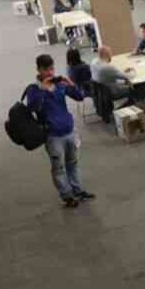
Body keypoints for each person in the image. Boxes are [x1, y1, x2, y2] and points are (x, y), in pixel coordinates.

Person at [25, 53, 92, 208]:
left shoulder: (60, 84)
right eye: (46, 70)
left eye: (52, 68)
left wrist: (70, 84)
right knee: (58, 167)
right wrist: (44, 90)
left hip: (68, 130)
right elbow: (32, 108)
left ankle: (78, 190)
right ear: (38, 70)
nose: (50, 73)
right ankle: (67, 196)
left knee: (73, 163)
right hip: (52, 135)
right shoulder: (34, 89)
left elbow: (80, 97)